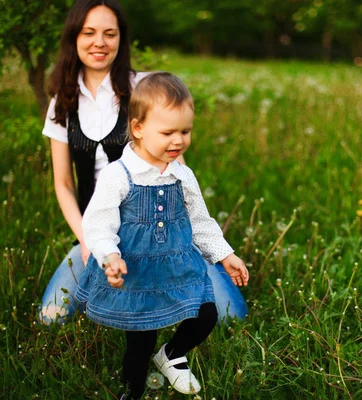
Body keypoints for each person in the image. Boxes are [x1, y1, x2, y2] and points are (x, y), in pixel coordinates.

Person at [39, 0, 248, 325]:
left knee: (230, 316)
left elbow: (176, 171)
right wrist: (87, 240)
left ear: (121, 39)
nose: (99, 42)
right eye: (89, 32)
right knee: (51, 318)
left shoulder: (145, 89)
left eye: (110, 33)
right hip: (100, 231)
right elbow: (63, 184)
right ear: (73, 37)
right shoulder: (62, 103)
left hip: (163, 227)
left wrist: (207, 247)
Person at [76, 72, 249, 398]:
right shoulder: (119, 174)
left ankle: (171, 355)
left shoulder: (183, 176)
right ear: (139, 128)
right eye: (168, 132)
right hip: (137, 271)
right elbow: (99, 222)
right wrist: (110, 255)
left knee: (206, 314)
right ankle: (133, 390)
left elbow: (200, 221)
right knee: (141, 340)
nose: (178, 141)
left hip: (177, 264)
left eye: (185, 131)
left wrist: (225, 254)